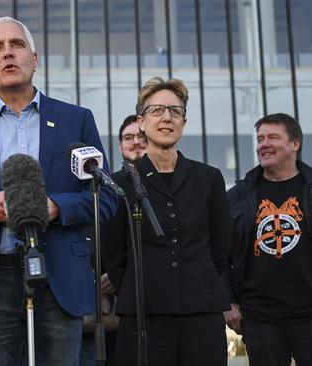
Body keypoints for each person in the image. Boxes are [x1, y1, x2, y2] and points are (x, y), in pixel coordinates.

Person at [0, 17, 117, 366]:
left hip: (59, 274)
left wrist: (55, 208)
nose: (8, 54)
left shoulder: (76, 120)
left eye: (16, 45)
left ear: (34, 60)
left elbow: (104, 197)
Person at [107, 77, 231, 366]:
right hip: (143, 316)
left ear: (184, 122)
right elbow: (114, 256)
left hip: (202, 312)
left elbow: (221, 248)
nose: (166, 117)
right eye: (157, 110)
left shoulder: (209, 178)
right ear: (141, 121)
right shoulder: (120, 182)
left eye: (175, 111)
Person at [225, 113, 312, 366]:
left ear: (295, 144)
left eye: (273, 137)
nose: (264, 144)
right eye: (260, 138)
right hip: (259, 318)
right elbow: (220, 253)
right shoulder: (239, 195)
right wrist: (228, 302)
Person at [81, 114, 147, 366]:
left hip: (145, 298)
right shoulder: (107, 187)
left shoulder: (163, 187)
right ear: (120, 146)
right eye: (128, 138)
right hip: (106, 303)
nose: (135, 142)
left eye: (140, 137)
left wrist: (122, 275)